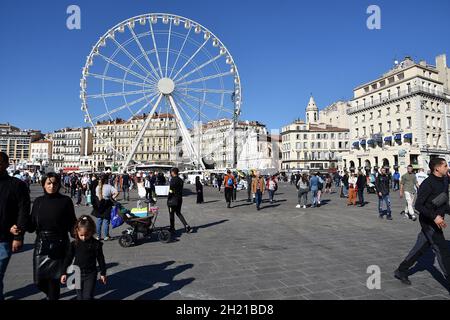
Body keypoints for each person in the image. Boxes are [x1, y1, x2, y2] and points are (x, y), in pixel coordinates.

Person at [394, 158, 450, 287]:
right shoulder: (428, 183)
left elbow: (443, 202)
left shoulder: (445, 180)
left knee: (420, 249)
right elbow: (419, 205)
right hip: (428, 222)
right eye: (445, 166)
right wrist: (434, 217)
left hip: (437, 218)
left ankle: (401, 270)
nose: (447, 168)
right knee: (442, 251)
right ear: (437, 168)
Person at [27, 172, 77, 300]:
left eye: (55, 183)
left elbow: (72, 221)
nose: (52, 186)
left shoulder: (65, 201)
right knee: (38, 281)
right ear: (43, 184)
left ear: (59, 184)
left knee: (54, 280)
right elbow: (32, 224)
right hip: (41, 243)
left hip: (59, 242)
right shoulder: (38, 201)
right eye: (48, 183)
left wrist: (78, 235)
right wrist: (20, 225)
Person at [0, 152, 31, 300]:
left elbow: (23, 211)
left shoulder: (17, 185)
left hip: (4, 238)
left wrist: (18, 236)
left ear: (6, 164)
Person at [61, 215, 107, 300]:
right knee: (80, 296)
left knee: (87, 296)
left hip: (91, 273)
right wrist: (64, 272)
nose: (84, 238)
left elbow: (101, 259)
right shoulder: (74, 244)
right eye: (81, 235)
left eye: (86, 235)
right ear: (77, 231)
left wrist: (103, 273)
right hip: (77, 273)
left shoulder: (96, 244)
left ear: (92, 231)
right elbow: (68, 258)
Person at [93, 175, 118, 241]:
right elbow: (116, 192)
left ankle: (98, 236)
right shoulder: (109, 187)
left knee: (99, 221)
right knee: (106, 221)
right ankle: (106, 236)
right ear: (107, 180)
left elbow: (97, 196)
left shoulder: (98, 187)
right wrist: (112, 197)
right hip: (107, 204)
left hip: (99, 204)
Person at [167, 168, 191, 234]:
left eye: (171, 172)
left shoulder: (173, 180)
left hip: (172, 200)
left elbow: (171, 190)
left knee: (171, 214)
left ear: (173, 172)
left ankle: (172, 228)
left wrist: (169, 198)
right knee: (178, 213)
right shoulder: (180, 180)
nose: (170, 173)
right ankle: (186, 225)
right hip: (179, 199)